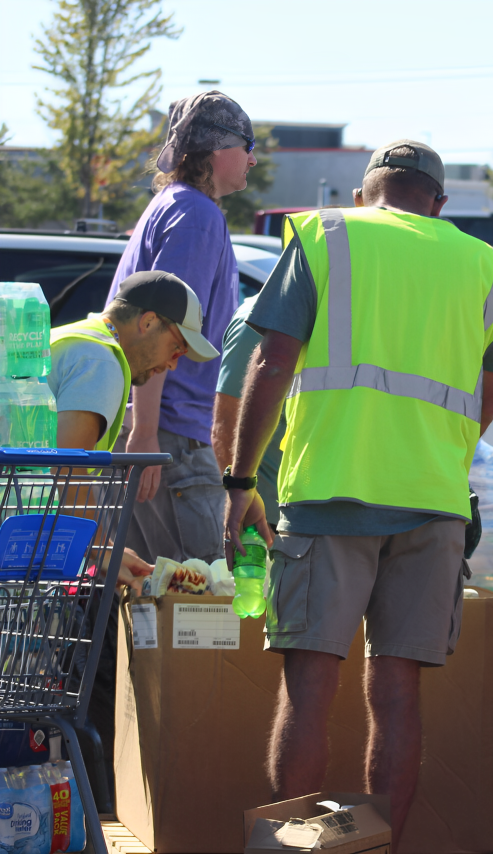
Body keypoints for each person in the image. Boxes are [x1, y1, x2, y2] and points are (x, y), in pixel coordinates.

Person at [222, 140, 493, 848]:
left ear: (364, 194)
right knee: (397, 698)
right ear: (438, 205)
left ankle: (298, 849)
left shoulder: (327, 234)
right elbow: (485, 398)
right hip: (435, 504)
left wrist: (239, 481)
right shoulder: (484, 266)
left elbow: (271, 362)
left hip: (329, 493)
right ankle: (376, 848)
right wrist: (436, 460)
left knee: (310, 690)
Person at [49, 269, 220, 808]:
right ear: (147, 321)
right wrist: (100, 552)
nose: (173, 364)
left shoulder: (76, 340)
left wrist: (104, 549)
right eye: (174, 346)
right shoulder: (103, 360)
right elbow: (67, 468)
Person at [106, 90, 256, 565]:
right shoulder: (196, 215)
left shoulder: (175, 204)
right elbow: (158, 329)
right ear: (216, 149)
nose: (253, 158)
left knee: (145, 606)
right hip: (167, 438)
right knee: (196, 605)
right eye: (247, 144)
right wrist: (146, 434)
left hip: (159, 433)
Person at [212, 292, 286, 529]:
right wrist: (242, 501)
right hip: (264, 520)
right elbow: (225, 426)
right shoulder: (257, 318)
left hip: (300, 511)